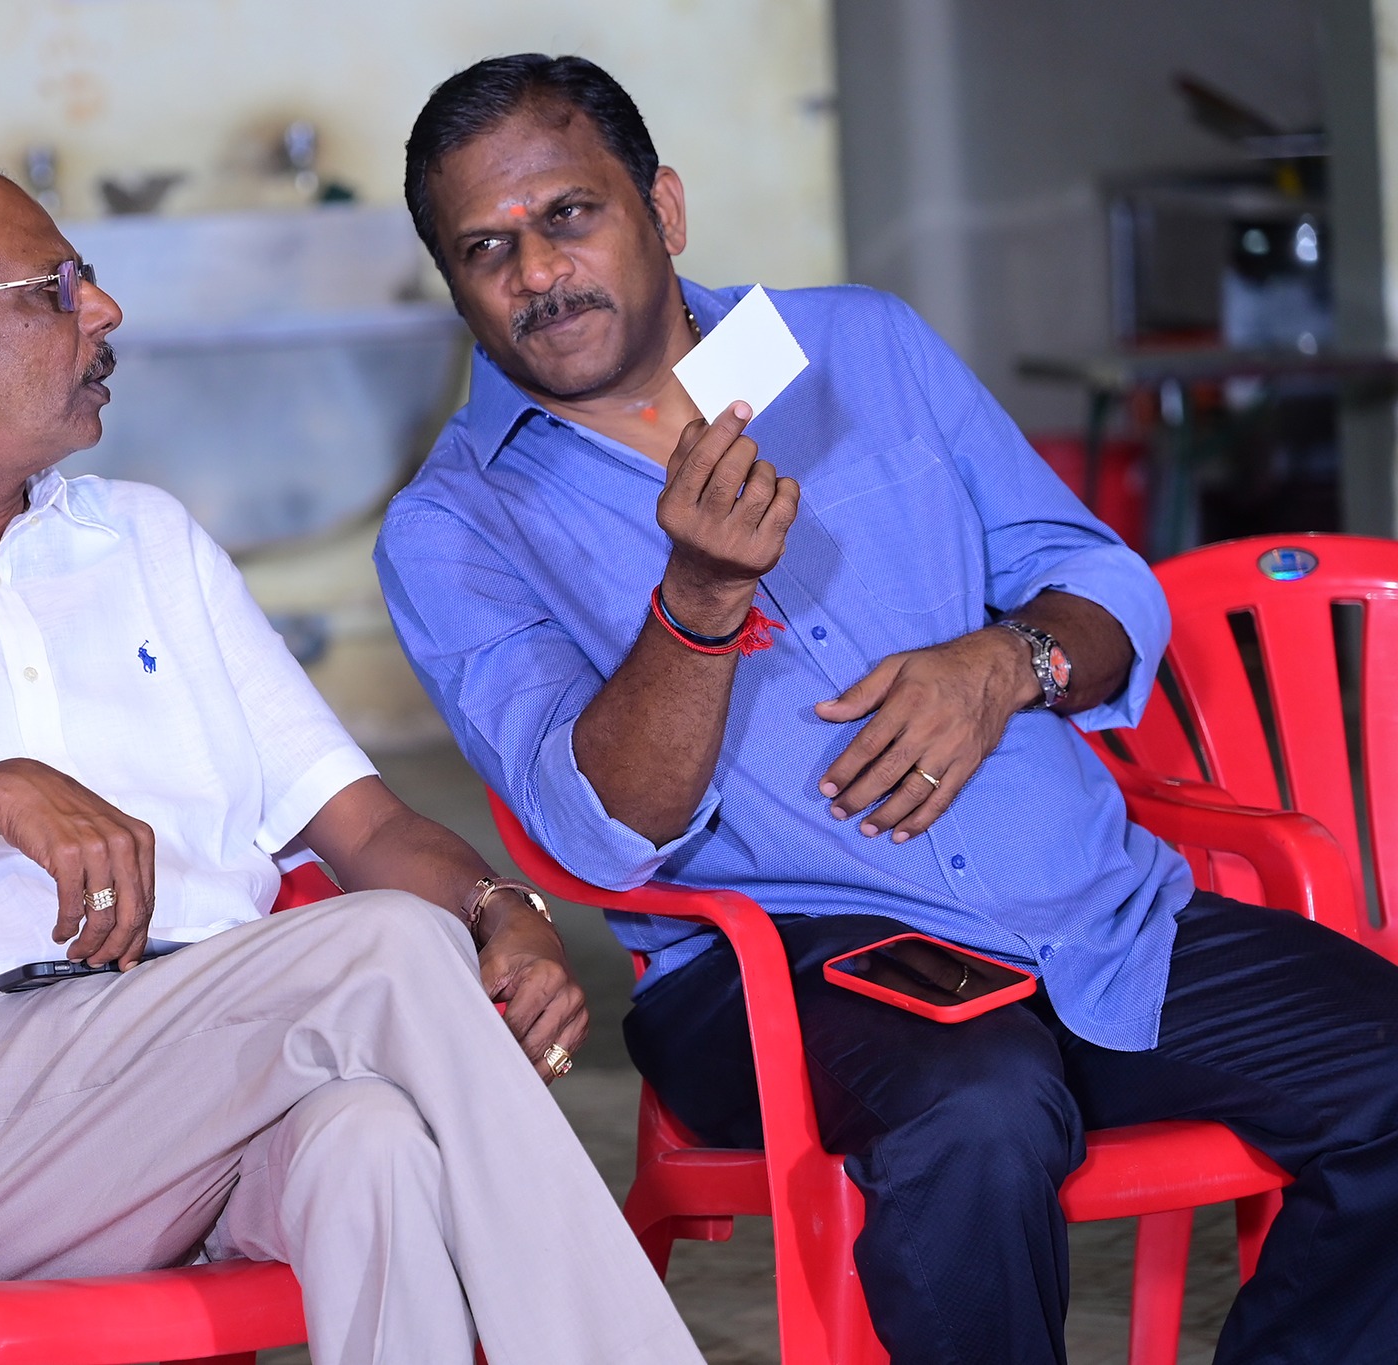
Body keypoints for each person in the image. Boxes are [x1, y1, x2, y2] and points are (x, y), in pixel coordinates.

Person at [0, 152, 704, 1365]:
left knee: (370, 1145)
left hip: (225, 1075)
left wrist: (499, 911)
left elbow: (368, 829)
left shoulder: (147, 542)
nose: (103, 312)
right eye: (52, 290)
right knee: (384, 948)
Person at [376, 53, 1398, 1365]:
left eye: (568, 213)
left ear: (662, 208)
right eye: (486, 247)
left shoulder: (859, 347)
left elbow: (1100, 583)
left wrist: (1004, 662)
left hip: (1094, 913)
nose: (536, 271)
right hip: (786, 967)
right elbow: (599, 829)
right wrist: (696, 603)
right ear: (454, 280)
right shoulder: (452, 524)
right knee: (978, 1109)